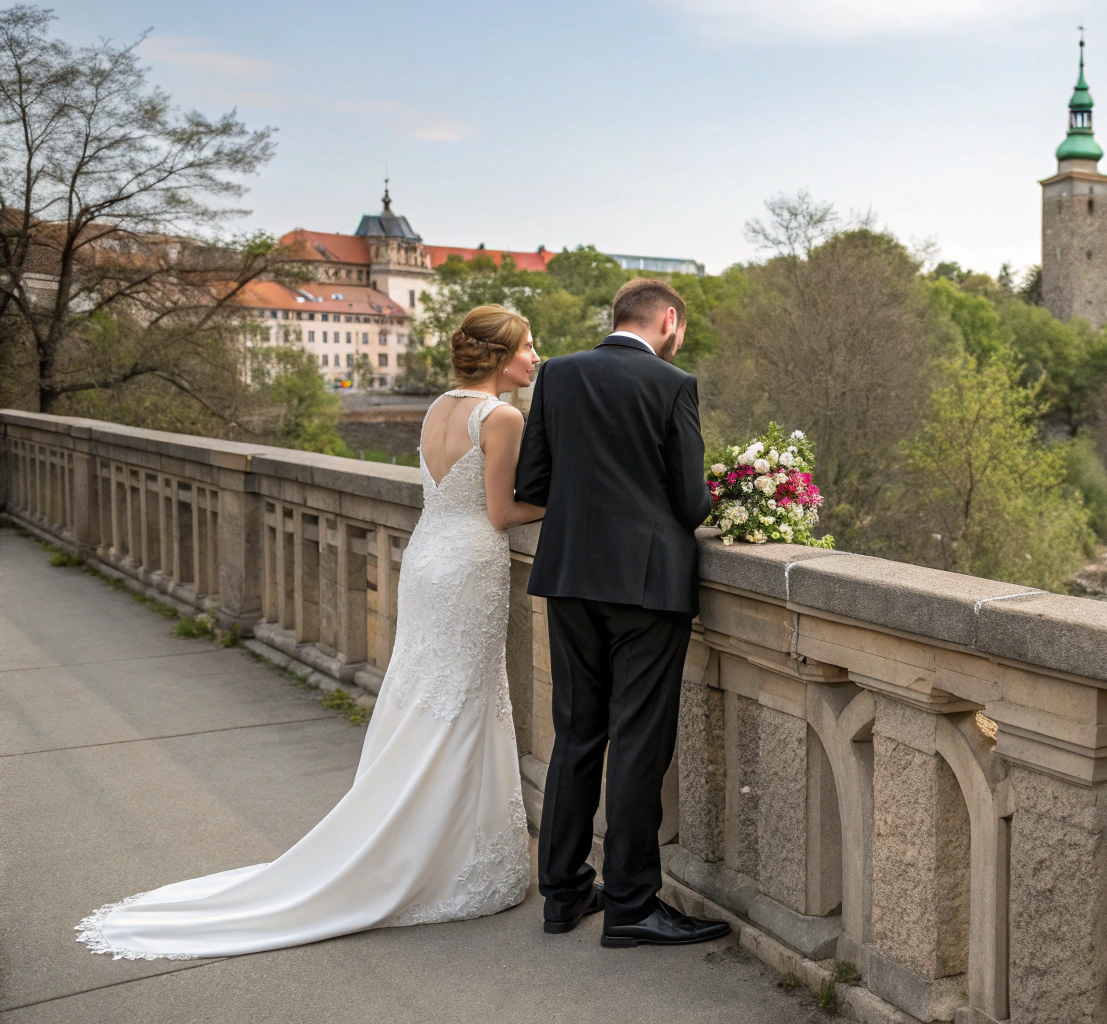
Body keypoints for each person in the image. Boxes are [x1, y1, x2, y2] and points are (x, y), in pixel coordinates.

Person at [77, 305, 547, 959]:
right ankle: (453, 856)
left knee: (429, 699)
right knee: (464, 705)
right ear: (500, 356)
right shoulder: (502, 417)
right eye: (529, 346)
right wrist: (569, 499)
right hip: (468, 563)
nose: (536, 357)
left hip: (428, 556)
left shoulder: (440, 406)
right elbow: (502, 511)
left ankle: (437, 842)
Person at [514, 278, 728, 947]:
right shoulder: (672, 385)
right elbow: (693, 504)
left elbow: (533, 484)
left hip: (571, 576)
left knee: (576, 734)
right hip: (646, 585)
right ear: (669, 320)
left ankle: (563, 893)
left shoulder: (558, 377)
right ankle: (634, 905)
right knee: (637, 740)